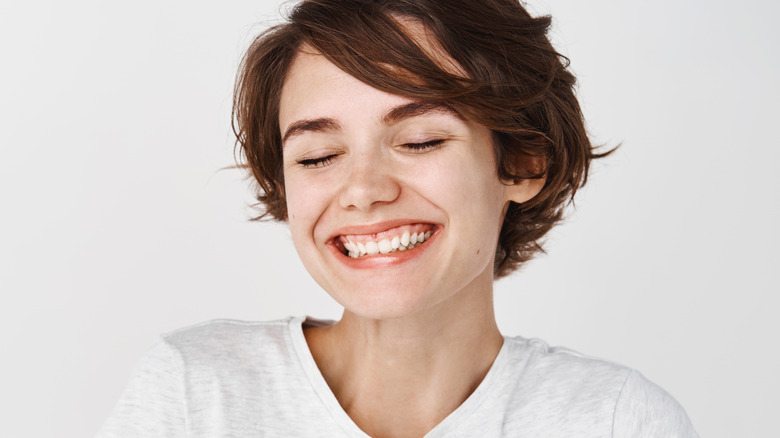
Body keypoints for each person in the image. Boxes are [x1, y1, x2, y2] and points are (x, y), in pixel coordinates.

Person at [97, 0, 699, 436]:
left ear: (519, 161)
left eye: (419, 141)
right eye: (319, 155)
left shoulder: (617, 420)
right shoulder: (195, 393)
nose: (362, 191)